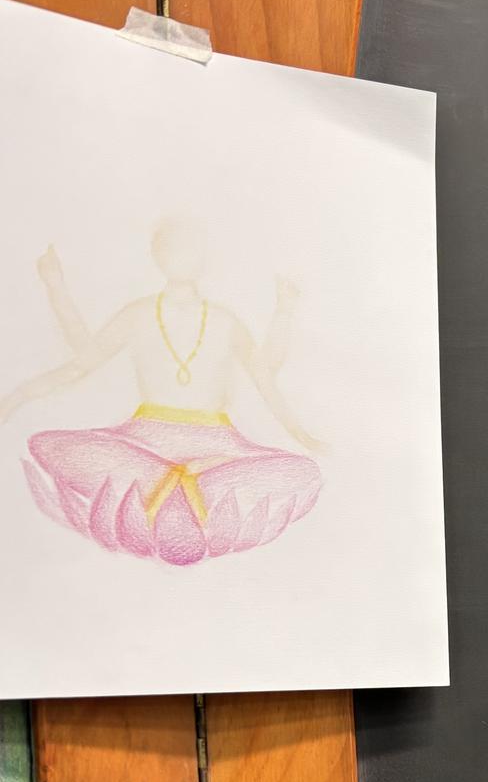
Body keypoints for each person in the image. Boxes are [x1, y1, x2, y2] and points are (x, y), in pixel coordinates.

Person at [2, 219, 324, 566]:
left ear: (204, 257)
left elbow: (265, 374)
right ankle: (190, 485)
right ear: (157, 254)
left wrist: (285, 312)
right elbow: (82, 361)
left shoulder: (224, 319)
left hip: (218, 445)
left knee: (304, 471)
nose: (182, 256)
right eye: (173, 247)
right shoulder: (138, 313)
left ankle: (171, 486)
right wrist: (54, 287)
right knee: (47, 445)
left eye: (191, 248)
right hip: (145, 442)